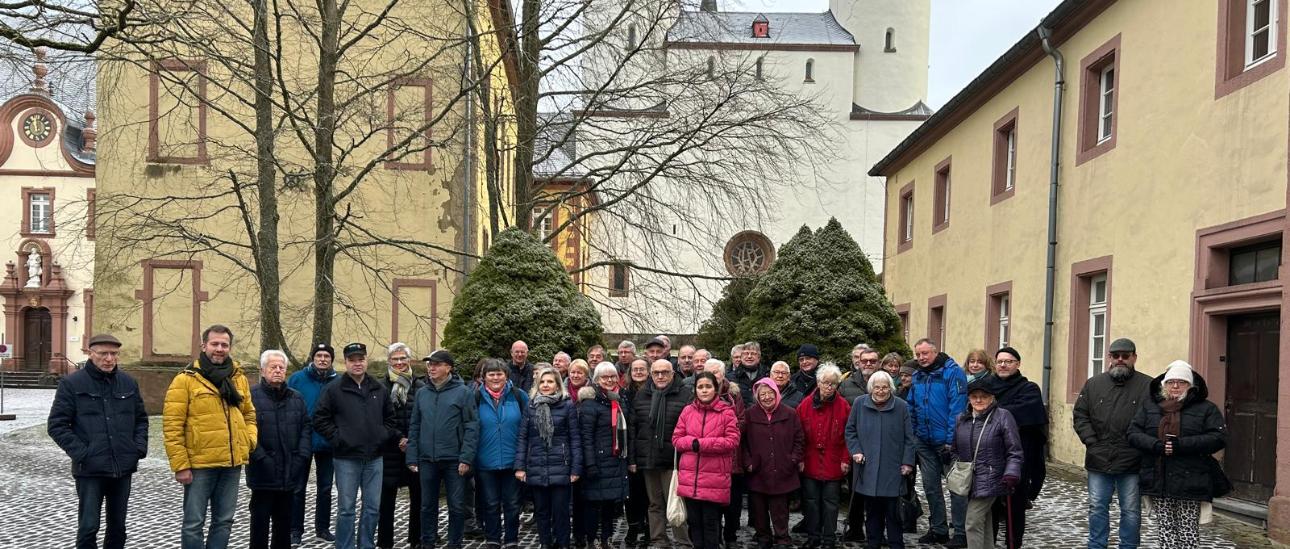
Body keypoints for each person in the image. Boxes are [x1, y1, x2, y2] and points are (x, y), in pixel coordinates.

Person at [47, 333, 148, 549]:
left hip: (122, 467)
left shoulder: (128, 382)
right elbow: (57, 425)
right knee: (88, 526)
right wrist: (83, 453)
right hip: (89, 469)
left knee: (118, 527)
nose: (109, 358)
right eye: (103, 353)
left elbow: (141, 419)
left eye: (114, 354)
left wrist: (137, 448)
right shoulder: (72, 383)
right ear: (91, 353)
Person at [163, 325, 257, 549]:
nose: (219, 349)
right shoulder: (185, 380)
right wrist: (180, 465)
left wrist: (249, 441)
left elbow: (249, 414)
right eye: (215, 344)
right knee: (194, 523)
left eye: (224, 345)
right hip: (199, 466)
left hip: (231, 464)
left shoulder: (238, 378)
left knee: (224, 521)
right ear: (204, 346)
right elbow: (172, 426)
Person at [1127, 361, 1229, 549]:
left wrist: (1180, 445)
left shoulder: (1206, 408)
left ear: (1190, 386)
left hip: (1191, 478)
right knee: (1166, 529)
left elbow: (1218, 438)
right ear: (1164, 384)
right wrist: (1157, 445)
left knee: (1187, 530)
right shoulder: (1150, 406)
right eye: (1170, 381)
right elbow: (1133, 433)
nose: (1175, 386)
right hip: (1159, 478)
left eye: (1181, 382)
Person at [312, 343, 397, 549]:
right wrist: (339, 438)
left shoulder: (379, 388)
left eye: (361, 359)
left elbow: (391, 419)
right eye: (352, 360)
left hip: (374, 458)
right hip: (345, 459)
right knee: (346, 508)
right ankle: (345, 545)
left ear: (366, 360)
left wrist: (381, 436)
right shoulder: (334, 389)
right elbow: (319, 418)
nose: (357, 364)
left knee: (372, 508)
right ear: (346, 362)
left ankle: (366, 545)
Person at [1073, 338, 1153, 549]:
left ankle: (1128, 546)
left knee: (1131, 510)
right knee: (1097, 507)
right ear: (1109, 357)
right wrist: (1091, 441)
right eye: (1115, 355)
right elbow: (1081, 415)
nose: (1120, 359)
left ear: (1134, 358)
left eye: (1125, 356)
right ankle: (1096, 545)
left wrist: (1139, 446)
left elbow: (1153, 420)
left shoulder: (1148, 386)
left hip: (1132, 460)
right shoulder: (1093, 384)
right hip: (1099, 457)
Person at [407, 350, 478, 549]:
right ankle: (427, 542)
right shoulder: (422, 393)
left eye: (437, 364)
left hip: (454, 460)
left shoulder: (463, 392)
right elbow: (414, 426)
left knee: (456, 506)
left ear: (449, 368)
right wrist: (412, 457)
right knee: (427, 506)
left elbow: (472, 426)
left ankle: (454, 543)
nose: (432, 368)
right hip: (427, 459)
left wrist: (466, 458)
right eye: (430, 365)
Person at [982, 347, 1047, 548]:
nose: (1003, 365)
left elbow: (1027, 414)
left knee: (1015, 503)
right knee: (989, 504)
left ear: (1017, 364)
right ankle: (988, 544)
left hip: (1018, 453)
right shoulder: (984, 386)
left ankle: (1014, 543)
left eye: (1008, 361)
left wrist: (993, 411)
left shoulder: (1029, 389)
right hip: (989, 453)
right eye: (1000, 361)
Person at [247, 350, 311, 549]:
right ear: (263, 370)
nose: (277, 371)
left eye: (281, 367)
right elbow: (246, 431)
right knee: (259, 526)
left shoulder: (296, 398)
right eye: (273, 367)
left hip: (289, 472)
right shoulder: (251, 396)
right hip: (262, 474)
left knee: (283, 527)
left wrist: (301, 457)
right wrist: (262, 458)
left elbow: (306, 428)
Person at [908, 338, 968, 547]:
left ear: (935, 352)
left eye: (925, 353)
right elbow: (911, 406)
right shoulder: (917, 376)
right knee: (931, 487)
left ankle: (961, 532)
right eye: (918, 354)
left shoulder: (952, 373)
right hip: (924, 442)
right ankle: (939, 529)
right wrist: (914, 434)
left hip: (947, 443)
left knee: (957, 489)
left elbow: (957, 408)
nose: (921, 358)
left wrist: (951, 441)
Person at [846, 371, 916, 549]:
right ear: (871, 388)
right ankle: (873, 542)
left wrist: (908, 462)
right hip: (867, 467)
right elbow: (850, 431)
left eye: (885, 387)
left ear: (890, 388)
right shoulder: (859, 404)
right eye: (877, 387)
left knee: (893, 513)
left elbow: (909, 437)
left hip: (892, 468)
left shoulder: (901, 406)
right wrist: (856, 451)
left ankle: (896, 544)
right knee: (872, 512)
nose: (881, 391)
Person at [516, 367, 584, 549]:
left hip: (561, 465)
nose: (546, 385)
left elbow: (575, 438)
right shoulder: (530, 406)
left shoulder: (567, 405)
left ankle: (563, 544)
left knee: (561, 512)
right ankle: (545, 543)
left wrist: (576, 468)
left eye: (550, 381)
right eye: (543, 382)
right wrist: (520, 466)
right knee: (541, 511)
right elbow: (523, 438)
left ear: (557, 384)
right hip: (536, 465)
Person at [672, 372, 741, 549]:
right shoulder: (688, 411)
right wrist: (692, 443)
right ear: (695, 389)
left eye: (708, 386)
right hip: (690, 479)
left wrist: (701, 444)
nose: (704, 390)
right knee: (694, 523)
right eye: (700, 387)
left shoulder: (726, 412)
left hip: (714, 479)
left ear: (715, 389)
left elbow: (732, 440)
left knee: (711, 524)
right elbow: (677, 439)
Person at [630, 359, 693, 548]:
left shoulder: (685, 394)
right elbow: (634, 428)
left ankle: (683, 542)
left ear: (672, 374)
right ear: (651, 374)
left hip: (673, 460)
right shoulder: (642, 395)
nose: (660, 376)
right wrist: (633, 459)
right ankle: (659, 540)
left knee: (676, 502)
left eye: (665, 372)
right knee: (654, 504)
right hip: (648, 459)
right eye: (656, 372)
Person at [953, 379, 1023, 549]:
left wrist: (1011, 473)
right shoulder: (962, 419)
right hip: (970, 479)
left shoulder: (1002, 416)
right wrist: (951, 459)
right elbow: (955, 447)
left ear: (992, 397)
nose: (978, 400)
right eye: (974, 396)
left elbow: (1014, 450)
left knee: (972, 521)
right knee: (984, 522)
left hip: (994, 477)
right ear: (968, 398)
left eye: (983, 396)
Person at [288, 343, 339, 544]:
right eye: (319, 355)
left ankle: (323, 528)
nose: (323, 359)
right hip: (303, 441)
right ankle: (295, 530)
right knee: (298, 488)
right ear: (313, 358)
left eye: (327, 356)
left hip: (328, 441)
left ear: (331, 359)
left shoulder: (339, 381)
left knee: (325, 488)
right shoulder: (298, 379)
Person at [743, 379, 804, 549]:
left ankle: (782, 538)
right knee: (759, 509)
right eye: (763, 394)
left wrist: (792, 460)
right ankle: (763, 537)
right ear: (757, 397)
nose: (767, 397)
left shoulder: (790, 413)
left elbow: (799, 439)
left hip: (782, 469)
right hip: (758, 469)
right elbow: (743, 443)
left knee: (780, 510)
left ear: (777, 394)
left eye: (770, 393)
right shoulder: (750, 414)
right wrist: (748, 463)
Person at [474, 359, 528, 549]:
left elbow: (528, 427)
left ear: (506, 376)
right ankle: (493, 538)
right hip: (485, 461)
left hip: (513, 459)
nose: (495, 377)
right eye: (491, 374)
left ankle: (511, 538)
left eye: (499, 374)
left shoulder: (518, 396)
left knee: (512, 503)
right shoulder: (475, 397)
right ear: (484, 377)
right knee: (490, 503)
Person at [797, 363, 851, 549]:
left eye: (833, 383)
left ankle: (829, 538)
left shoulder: (843, 406)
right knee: (811, 502)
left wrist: (846, 459)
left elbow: (848, 436)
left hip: (833, 461)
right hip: (810, 460)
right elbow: (799, 436)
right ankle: (813, 536)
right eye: (825, 382)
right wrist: (800, 459)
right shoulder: (805, 405)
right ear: (818, 382)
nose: (829, 386)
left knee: (831, 503)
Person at [578, 363, 630, 549]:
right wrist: (590, 464)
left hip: (615, 459)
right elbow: (586, 436)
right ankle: (592, 540)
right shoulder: (590, 403)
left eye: (612, 376)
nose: (609, 380)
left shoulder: (617, 399)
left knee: (609, 503)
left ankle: (606, 539)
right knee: (593, 503)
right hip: (598, 461)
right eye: (604, 377)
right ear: (596, 379)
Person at [378, 344, 422, 549]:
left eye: (403, 358)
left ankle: (416, 539)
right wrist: (399, 438)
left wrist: (411, 439)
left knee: (418, 497)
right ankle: (385, 542)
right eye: (395, 359)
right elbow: (379, 418)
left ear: (409, 360)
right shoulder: (380, 387)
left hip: (415, 449)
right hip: (389, 450)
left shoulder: (420, 386)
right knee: (386, 499)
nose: (399, 362)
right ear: (389, 361)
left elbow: (424, 417)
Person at [837, 346, 880, 541]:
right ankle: (855, 529)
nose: (868, 364)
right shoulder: (846, 385)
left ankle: (876, 531)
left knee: (878, 494)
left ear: (878, 363)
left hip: (880, 447)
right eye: (865, 361)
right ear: (858, 362)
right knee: (856, 491)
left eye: (872, 361)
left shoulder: (884, 382)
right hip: (854, 447)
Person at [704, 359, 748, 546]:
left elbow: (742, 421)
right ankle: (715, 536)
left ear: (723, 374)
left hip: (732, 457)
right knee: (712, 503)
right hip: (709, 458)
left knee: (733, 502)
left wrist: (722, 430)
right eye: (710, 372)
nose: (714, 375)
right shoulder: (700, 393)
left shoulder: (733, 394)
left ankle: (731, 535)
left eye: (717, 372)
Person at [620, 358, 651, 547]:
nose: (638, 372)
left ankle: (649, 528)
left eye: (642, 369)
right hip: (629, 447)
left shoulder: (655, 392)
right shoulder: (624, 394)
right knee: (631, 494)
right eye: (635, 369)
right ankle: (633, 526)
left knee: (649, 494)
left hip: (648, 449)